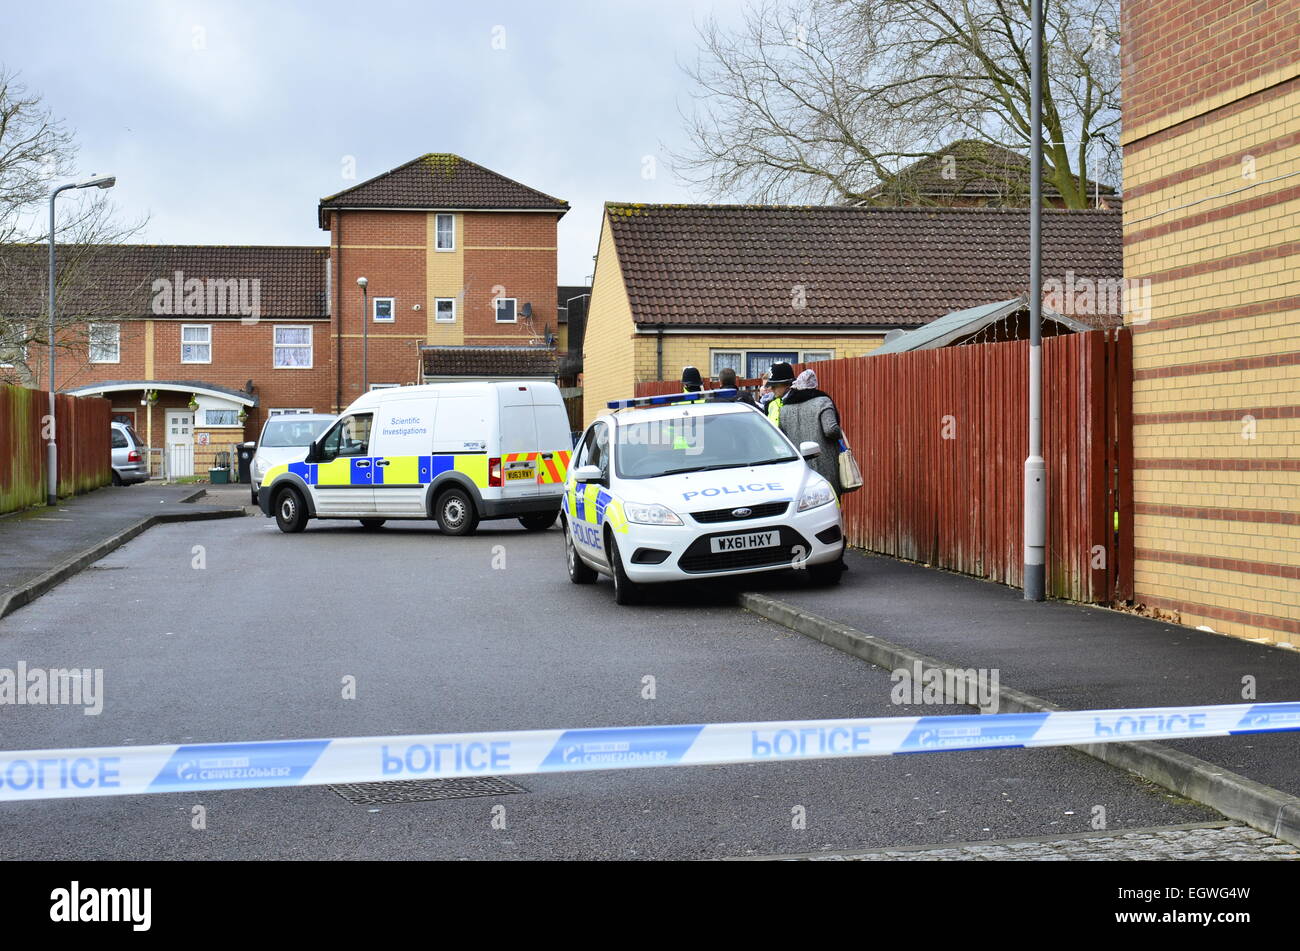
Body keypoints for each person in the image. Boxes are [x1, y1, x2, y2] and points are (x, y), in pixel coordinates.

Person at [775, 368, 843, 498]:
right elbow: (830, 430)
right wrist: (840, 432)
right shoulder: (823, 402)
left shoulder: (784, 409)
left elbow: (782, 438)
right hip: (824, 464)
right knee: (831, 500)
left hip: (798, 467)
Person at [764, 362, 796, 426]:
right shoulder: (772, 404)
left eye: (774, 385)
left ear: (787, 384)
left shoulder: (797, 403)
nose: (771, 389)